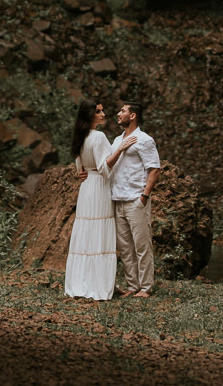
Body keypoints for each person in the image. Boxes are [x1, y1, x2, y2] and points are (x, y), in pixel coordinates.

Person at [64, 99, 137, 301]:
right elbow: (105, 169)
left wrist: (82, 172)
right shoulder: (98, 136)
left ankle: (81, 281)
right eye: (98, 111)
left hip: (86, 188)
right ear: (90, 115)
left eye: (102, 110)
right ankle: (99, 284)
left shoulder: (80, 137)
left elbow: (79, 168)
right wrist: (120, 148)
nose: (103, 114)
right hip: (100, 188)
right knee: (101, 233)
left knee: (86, 234)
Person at [108, 101, 161, 298]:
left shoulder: (144, 140)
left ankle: (146, 287)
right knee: (125, 247)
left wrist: (144, 195)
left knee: (141, 245)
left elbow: (154, 168)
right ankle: (132, 285)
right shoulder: (116, 140)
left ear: (133, 116)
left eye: (122, 111)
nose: (118, 113)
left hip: (136, 199)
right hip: (118, 199)